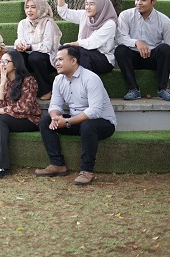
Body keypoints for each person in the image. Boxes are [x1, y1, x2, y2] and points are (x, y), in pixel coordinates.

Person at [35, 45, 117, 186]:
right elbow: (55, 105)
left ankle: (87, 170)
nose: (57, 63)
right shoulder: (59, 80)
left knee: (88, 125)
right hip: (77, 121)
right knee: (45, 121)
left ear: (73, 61)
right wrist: (55, 117)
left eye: (61, 59)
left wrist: (67, 122)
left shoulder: (91, 78)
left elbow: (94, 111)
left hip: (102, 123)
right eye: (56, 60)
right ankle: (57, 164)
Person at [0, 50, 42, 180]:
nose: (2, 64)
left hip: (29, 119)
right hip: (9, 117)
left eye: (6, 61)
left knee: (0, 119)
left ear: (16, 64)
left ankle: (1, 165)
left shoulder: (28, 81)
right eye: (1, 61)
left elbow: (23, 108)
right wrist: (2, 85)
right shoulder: (2, 81)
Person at [115, 0, 170, 101]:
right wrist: (136, 42)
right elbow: (119, 38)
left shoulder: (164, 21)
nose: (138, 3)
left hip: (153, 59)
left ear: (153, 1)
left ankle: (163, 89)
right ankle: (133, 89)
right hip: (133, 57)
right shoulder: (125, 15)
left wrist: (168, 75)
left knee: (165, 48)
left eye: (143, 0)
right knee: (120, 50)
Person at [56, 0, 117, 75]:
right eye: (86, 4)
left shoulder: (109, 23)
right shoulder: (84, 15)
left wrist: (75, 44)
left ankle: (85, 82)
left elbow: (94, 42)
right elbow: (64, 12)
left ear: (101, 5)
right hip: (84, 53)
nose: (88, 7)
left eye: (92, 4)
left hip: (103, 59)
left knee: (80, 52)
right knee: (68, 53)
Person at [14, 0, 62, 100]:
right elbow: (20, 39)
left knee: (35, 57)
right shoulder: (23, 23)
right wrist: (19, 45)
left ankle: (46, 90)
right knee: (13, 55)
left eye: (33, 7)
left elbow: (47, 47)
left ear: (41, 8)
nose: (29, 10)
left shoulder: (48, 23)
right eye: (27, 7)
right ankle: (18, 90)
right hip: (29, 56)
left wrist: (30, 47)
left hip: (46, 60)